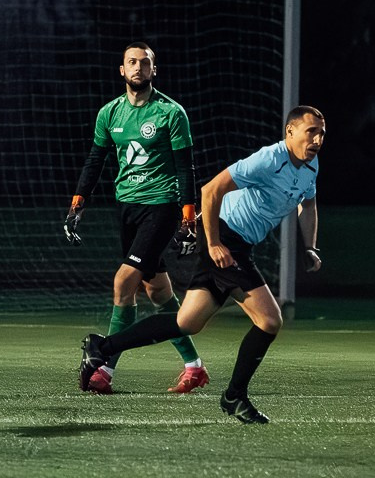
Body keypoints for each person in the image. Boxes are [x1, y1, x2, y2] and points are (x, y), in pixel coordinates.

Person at [78, 106, 326, 425]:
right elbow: (210, 190)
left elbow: (308, 203)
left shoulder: (310, 165)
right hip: (227, 240)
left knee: (187, 322)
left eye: (322, 133)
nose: (318, 139)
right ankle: (234, 396)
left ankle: (102, 346)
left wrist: (310, 246)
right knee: (269, 320)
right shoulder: (269, 160)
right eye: (311, 132)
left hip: (236, 244)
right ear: (290, 131)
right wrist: (214, 243)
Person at [62, 40, 207, 394]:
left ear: (153, 70)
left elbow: (184, 168)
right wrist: (78, 202)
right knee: (157, 291)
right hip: (126, 207)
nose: (138, 67)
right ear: (122, 71)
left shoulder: (171, 113)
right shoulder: (109, 114)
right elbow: (95, 161)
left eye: (145, 62)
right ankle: (194, 367)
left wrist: (187, 217)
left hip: (161, 206)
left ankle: (104, 366)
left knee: (123, 282)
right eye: (132, 62)